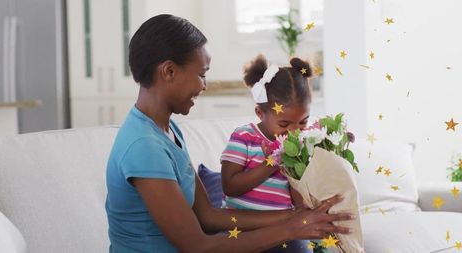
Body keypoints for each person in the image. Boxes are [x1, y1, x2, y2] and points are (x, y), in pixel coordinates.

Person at [105, 14, 354, 253]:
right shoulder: (143, 146)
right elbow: (197, 246)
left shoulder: (168, 132)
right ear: (169, 71)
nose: (204, 85)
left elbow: (208, 216)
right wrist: (291, 229)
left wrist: (296, 216)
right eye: (202, 74)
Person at [220, 55, 326, 252]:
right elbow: (230, 186)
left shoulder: (302, 144)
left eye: (303, 122)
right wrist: (272, 162)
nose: (294, 131)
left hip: (285, 232)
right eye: (284, 124)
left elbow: (299, 202)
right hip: (242, 232)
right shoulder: (244, 136)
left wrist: (294, 167)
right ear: (260, 113)